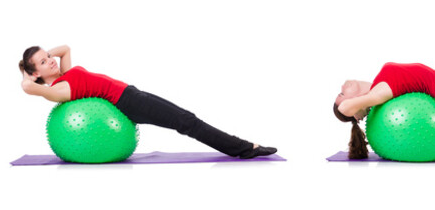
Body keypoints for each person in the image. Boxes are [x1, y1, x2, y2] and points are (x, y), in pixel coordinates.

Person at [18, 45, 277, 159]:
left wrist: (45, 57)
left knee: (187, 118)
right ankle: (245, 148)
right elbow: (29, 88)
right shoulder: (59, 88)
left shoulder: (65, 72)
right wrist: (27, 74)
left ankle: (243, 147)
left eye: (47, 56)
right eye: (43, 62)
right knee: (187, 121)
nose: (51, 60)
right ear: (36, 73)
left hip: (131, 94)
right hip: (128, 103)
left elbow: (64, 47)